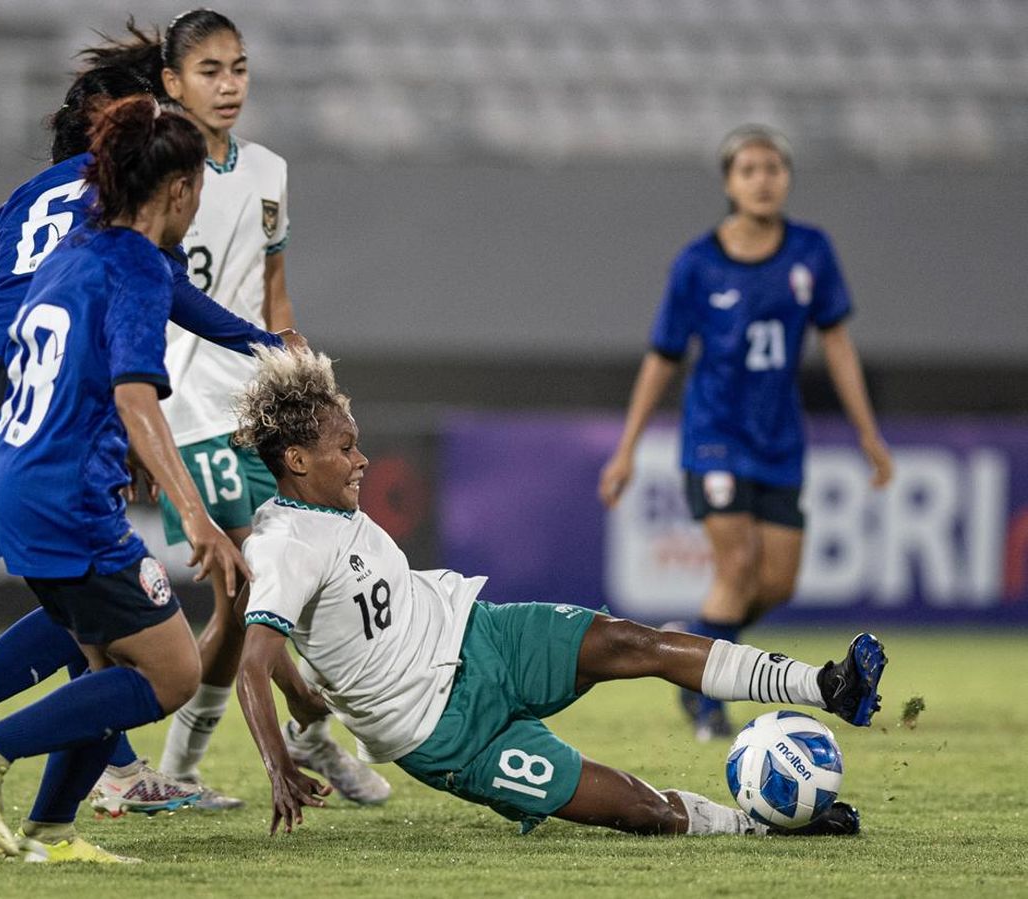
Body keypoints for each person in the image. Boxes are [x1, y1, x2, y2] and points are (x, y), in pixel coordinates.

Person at [232, 346, 886, 839]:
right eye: (346, 447)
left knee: (637, 641)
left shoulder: (328, 506)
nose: (361, 459)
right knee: (641, 810)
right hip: (448, 733)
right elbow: (252, 663)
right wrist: (278, 763)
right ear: (295, 459)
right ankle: (762, 826)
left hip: (479, 633)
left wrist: (308, 699)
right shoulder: (285, 543)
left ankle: (827, 686)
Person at [0, 64, 300, 818]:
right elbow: (158, 321)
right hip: (51, 400)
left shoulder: (30, 197)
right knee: (114, 608)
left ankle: (34, 769)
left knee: (89, 603)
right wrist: (272, 347)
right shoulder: (129, 210)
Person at [80, 11, 390, 809]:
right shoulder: (155, 171)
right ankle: (298, 725)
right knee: (254, 582)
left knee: (271, 588)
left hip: (260, 406)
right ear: (172, 83)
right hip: (189, 409)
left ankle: (207, 760)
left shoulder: (269, 171)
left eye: (240, 69)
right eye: (210, 70)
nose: (229, 85)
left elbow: (272, 288)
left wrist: (299, 371)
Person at [597, 124, 894, 741]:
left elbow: (837, 345)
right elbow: (662, 357)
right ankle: (708, 702)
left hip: (779, 440)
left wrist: (868, 433)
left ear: (787, 177)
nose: (764, 179)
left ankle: (697, 642)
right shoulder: (699, 264)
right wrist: (626, 449)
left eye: (774, 168)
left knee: (777, 583)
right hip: (714, 436)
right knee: (737, 563)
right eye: (750, 170)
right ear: (730, 183)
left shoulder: (811, 252)